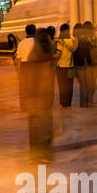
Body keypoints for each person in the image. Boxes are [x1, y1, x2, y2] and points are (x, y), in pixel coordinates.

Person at [20, 27, 56, 164]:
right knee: (45, 129)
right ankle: (45, 154)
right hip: (44, 98)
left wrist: (24, 100)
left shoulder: (32, 54)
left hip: (33, 99)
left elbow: (27, 77)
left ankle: (35, 155)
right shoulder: (48, 54)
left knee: (35, 130)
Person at [72, 21, 96, 107]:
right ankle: (90, 101)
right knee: (89, 83)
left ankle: (83, 103)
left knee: (82, 84)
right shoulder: (87, 38)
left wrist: (67, 45)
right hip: (88, 62)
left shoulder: (76, 39)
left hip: (80, 63)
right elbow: (92, 46)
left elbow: (74, 49)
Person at [55, 22, 77, 108]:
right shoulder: (72, 40)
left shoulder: (61, 41)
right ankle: (68, 103)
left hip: (61, 67)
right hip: (70, 66)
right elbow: (74, 49)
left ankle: (64, 103)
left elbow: (58, 54)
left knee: (62, 86)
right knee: (69, 86)